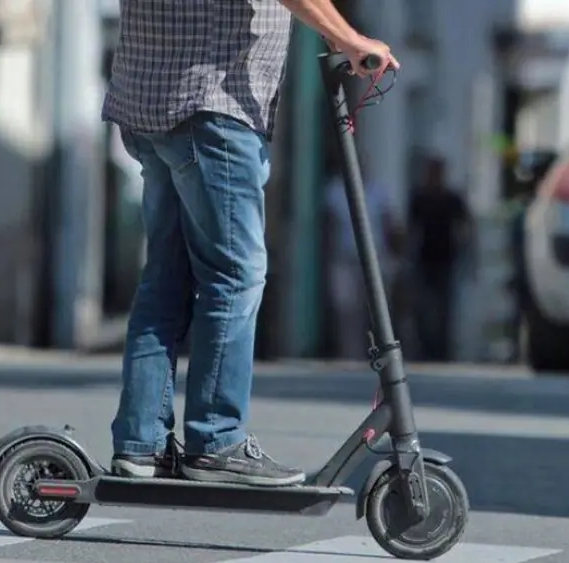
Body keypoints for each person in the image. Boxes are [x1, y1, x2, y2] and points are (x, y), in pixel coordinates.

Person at [103, 0, 399, 486]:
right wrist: (349, 38)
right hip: (212, 104)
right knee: (235, 275)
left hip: (147, 98)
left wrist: (332, 29)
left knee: (166, 278)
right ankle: (216, 440)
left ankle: (141, 442)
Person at [323, 163, 402, 359]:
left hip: (375, 258)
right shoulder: (335, 191)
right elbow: (329, 227)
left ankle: (379, 351)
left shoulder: (378, 192)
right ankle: (351, 353)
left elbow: (388, 224)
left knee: (376, 308)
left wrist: (393, 257)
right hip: (345, 257)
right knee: (347, 310)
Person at [407, 157, 473, 361]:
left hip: (446, 260)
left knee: (444, 309)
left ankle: (441, 351)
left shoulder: (451, 199)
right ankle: (424, 349)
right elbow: (412, 229)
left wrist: (464, 250)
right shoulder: (420, 198)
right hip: (424, 259)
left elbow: (465, 226)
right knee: (423, 308)